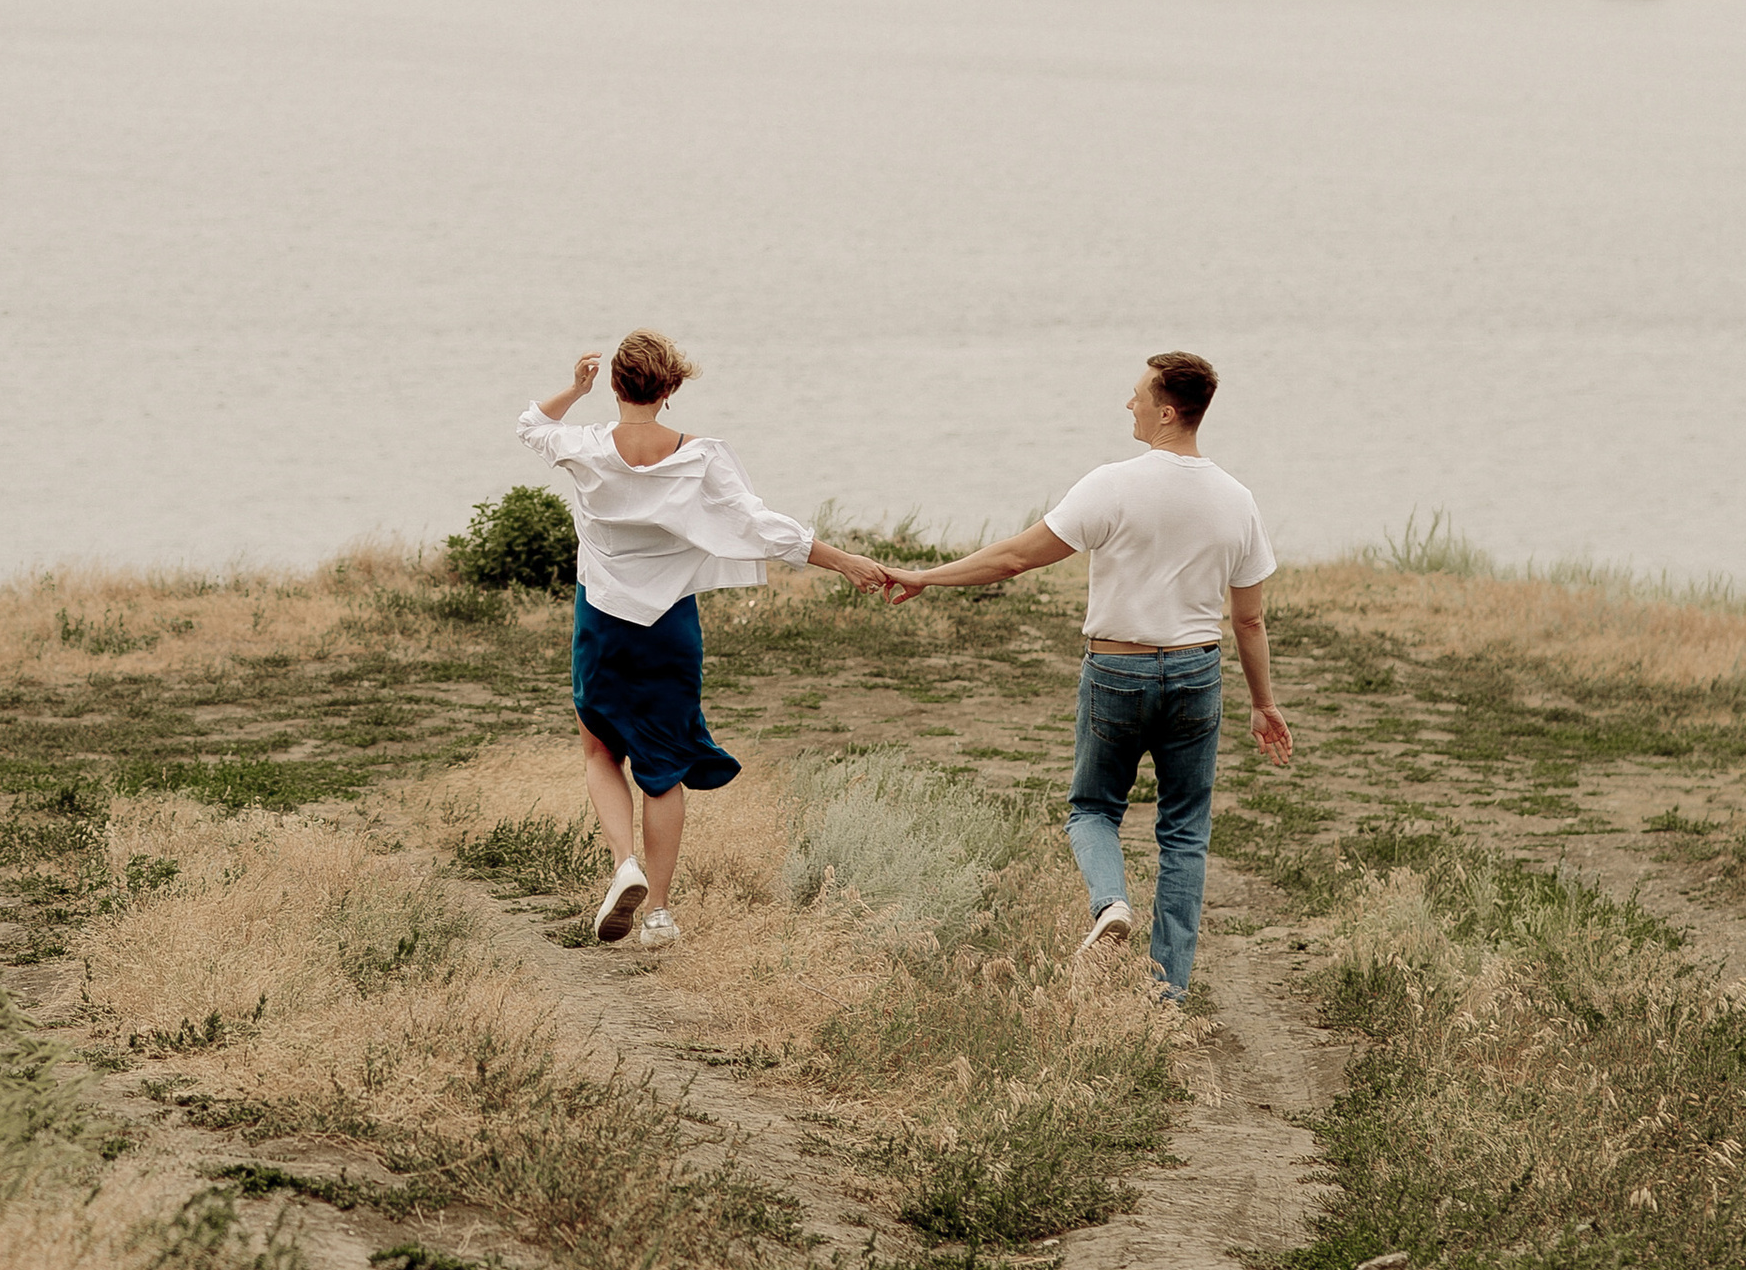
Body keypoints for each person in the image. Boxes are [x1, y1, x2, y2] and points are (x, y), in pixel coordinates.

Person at [885, 351, 1290, 1001]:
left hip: (1117, 669)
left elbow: (1016, 557)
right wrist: (1264, 703)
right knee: (1185, 831)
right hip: (1197, 672)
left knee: (1093, 808)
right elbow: (1249, 621)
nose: (1126, 404)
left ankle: (1111, 904)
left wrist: (925, 576)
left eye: (1135, 395)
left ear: (1164, 407)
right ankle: (1167, 994)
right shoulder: (1237, 500)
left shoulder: (1111, 484)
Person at [519, 332, 890, 946]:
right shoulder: (701, 456)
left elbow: (530, 426)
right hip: (669, 626)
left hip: (603, 619)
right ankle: (659, 914)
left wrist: (574, 389)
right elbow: (761, 527)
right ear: (671, 388)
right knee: (663, 769)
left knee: (600, 751)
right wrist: (844, 560)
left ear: (617, 386)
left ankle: (624, 865)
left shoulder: (582, 446)